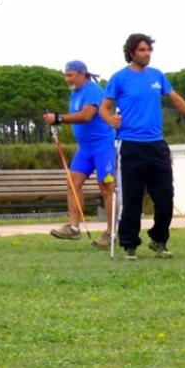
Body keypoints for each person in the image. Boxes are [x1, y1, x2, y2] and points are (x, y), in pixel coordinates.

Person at [99, 34, 185, 260]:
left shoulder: (157, 76)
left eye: (149, 50)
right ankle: (129, 244)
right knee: (132, 199)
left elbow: (176, 100)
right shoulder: (119, 78)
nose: (147, 54)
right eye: (142, 50)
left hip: (157, 145)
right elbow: (104, 107)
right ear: (132, 52)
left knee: (165, 197)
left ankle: (159, 240)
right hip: (131, 145)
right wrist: (109, 119)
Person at [43, 60, 117, 249]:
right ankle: (74, 227)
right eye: (66, 75)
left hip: (103, 146)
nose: (67, 79)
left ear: (82, 74)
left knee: (106, 187)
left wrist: (58, 118)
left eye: (70, 75)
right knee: (72, 183)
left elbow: (86, 115)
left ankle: (111, 233)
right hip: (84, 148)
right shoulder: (75, 94)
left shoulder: (92, 90)